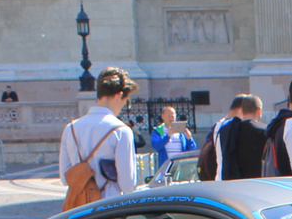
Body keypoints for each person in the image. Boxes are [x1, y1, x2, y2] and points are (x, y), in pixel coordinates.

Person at [58, 66, 138, 200]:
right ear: (119, 96)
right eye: (126, 101)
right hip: (109, 206)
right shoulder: (121, 131)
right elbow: (127, 184)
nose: (125, 105)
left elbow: (65, 178)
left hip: (80, 207)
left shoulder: (71, 128)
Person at [219, 95, 266, 180]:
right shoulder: (264, 131)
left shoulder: (226, 131)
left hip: (234, 184)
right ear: (259, 111)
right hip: (257, 184)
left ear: (243, 111)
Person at [150, 105, 197, 170]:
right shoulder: (158, 131)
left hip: (181, 167)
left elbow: (192, 149)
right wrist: (167, 136)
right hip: (166, 167)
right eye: (168, 116)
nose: (171, 119)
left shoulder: (181, 132)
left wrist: (189, 139)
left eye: (172, 116)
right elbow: (156, 146)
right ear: (163, 116)